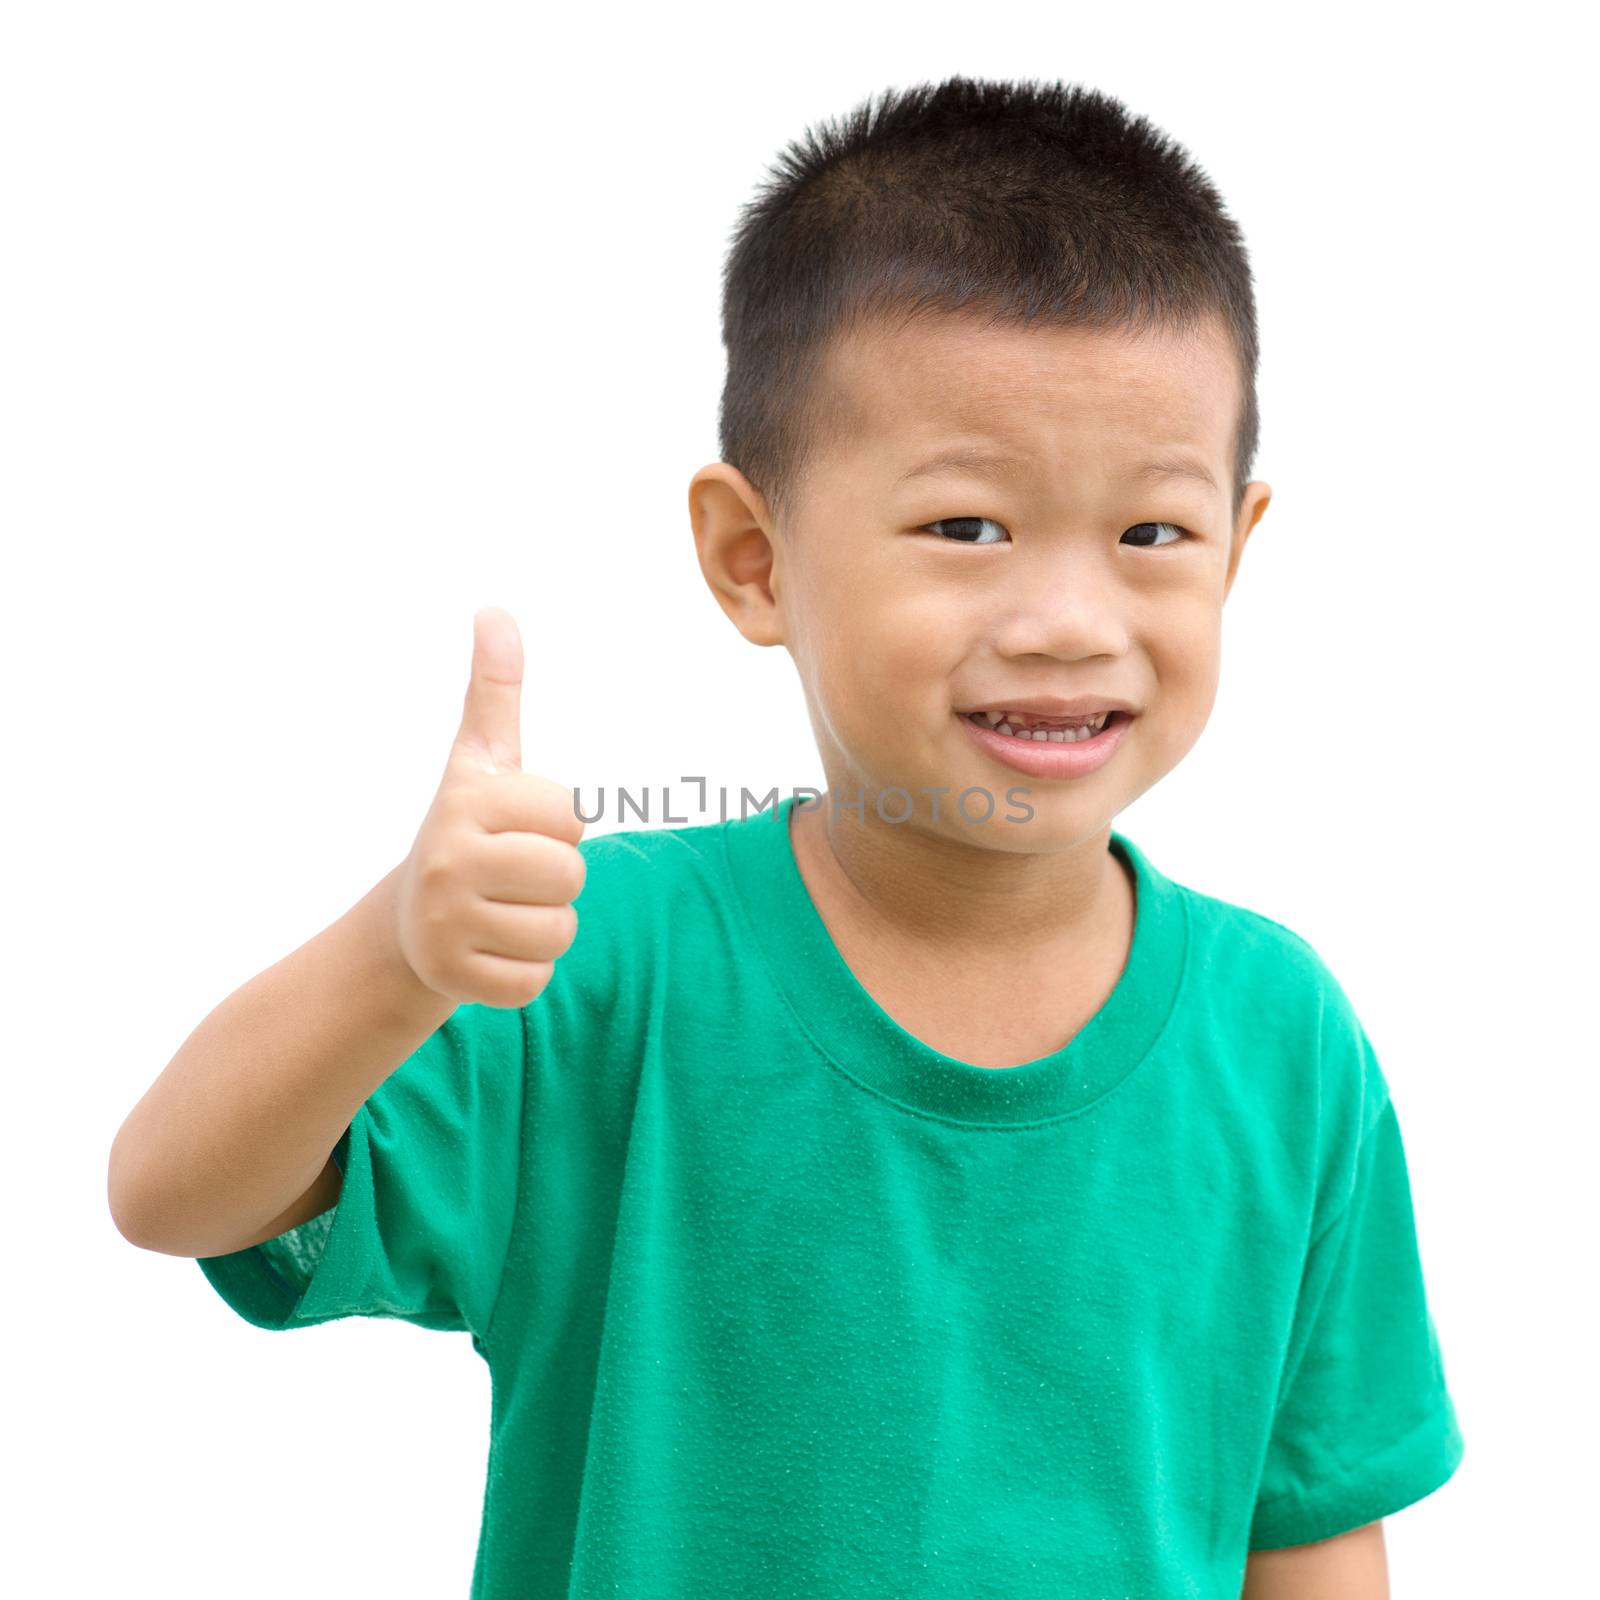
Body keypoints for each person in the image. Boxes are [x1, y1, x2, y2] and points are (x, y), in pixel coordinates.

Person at [108, 74, 1464, 1598]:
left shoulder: (1283, 1039)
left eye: (1153, 533)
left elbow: (1313, 1527)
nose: (1070, 622)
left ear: (1238, 547)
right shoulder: (606, 967)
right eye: (968, 527)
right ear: (755, 560)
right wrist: (397, 957)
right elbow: (174, 1193)